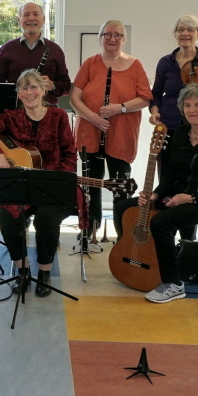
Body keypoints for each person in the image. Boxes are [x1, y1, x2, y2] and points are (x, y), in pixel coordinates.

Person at [114, 83, 198, 303]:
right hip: (177, 197)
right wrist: (154, 195)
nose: (192, 109)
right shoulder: (180, 133)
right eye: (187, 105)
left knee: (161, 222)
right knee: (125, 206)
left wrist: (190, 198)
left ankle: (173, 284)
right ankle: (137, 256)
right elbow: (170, 176)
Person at [0, 69, 77, 297]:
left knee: (46, 219)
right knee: (6, 217)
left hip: (51, 188)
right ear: (18, 93)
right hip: (21, 189)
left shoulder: (59, 116)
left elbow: (69, 154)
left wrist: (58, 177)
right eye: (24, 88)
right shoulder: (11, 117)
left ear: (44, 89)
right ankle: (22, 270)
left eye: (34, 87)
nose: (29, 93)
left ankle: (45, 271)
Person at [147, 15, 198, 243]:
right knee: (167, 182)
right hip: (170, 129)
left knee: (191, 183)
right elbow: (156, 94)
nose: (185, 33)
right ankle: (166, 237)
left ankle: (188, 241)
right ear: (175, 33)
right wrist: (154, 112)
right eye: (181, 29)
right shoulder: (166, 62)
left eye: (190, 29)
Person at [69, 20, 151, 235]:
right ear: (100, 38)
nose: (112, 39)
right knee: (92, 185)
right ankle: (91, 229)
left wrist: (120, 108)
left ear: (124, 39)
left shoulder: (135, 65)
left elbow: (145, 99)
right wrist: (94, 118)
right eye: (107, 34)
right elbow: (75, 98)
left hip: (121, 135)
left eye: (117, 35)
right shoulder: (90, 63)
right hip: (90, 132)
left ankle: (122, 234)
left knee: (120, 188)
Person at [0, 2, 71, 107]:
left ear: (43, 19)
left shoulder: (55, 49)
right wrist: (20, 89)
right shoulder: (7, 49)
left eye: (36, 14)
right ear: (19, 20)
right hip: (16, 113)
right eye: (26, 15)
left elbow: (67, 87)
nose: (31, 18)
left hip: (48, 113)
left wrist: (52, 85)